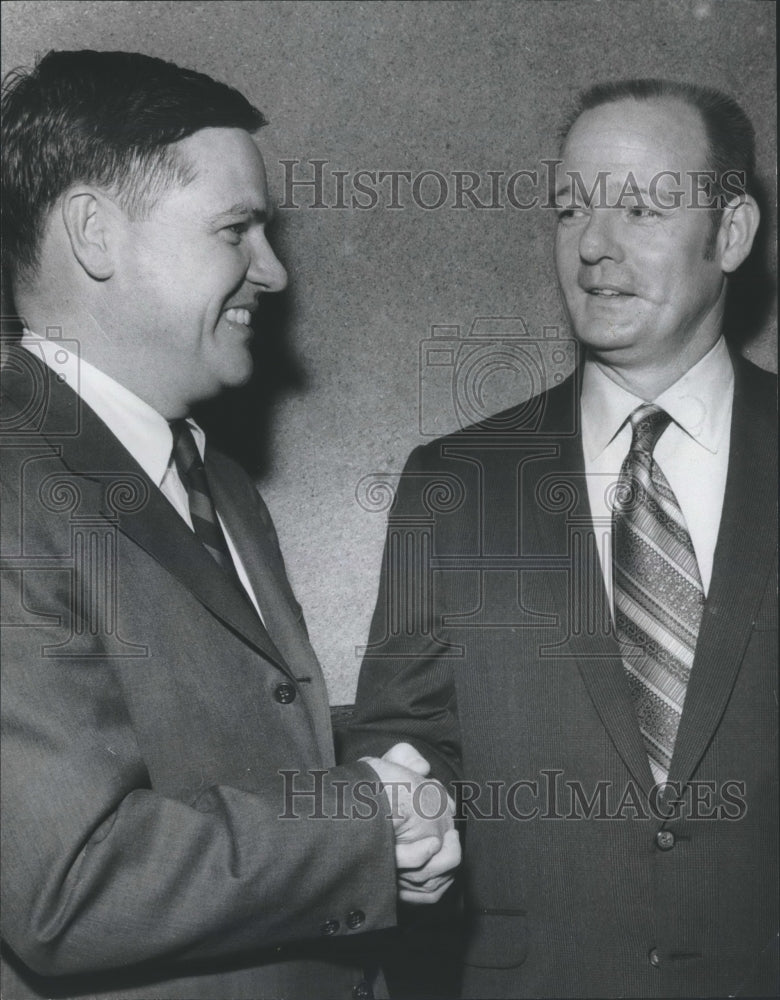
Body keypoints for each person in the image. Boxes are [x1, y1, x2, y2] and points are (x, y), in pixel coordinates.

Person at [0, 50, 460, 1000]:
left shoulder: (212, 477)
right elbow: (68, 886)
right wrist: (367, 822)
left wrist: (387, 814)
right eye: (236, 230)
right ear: (95, 233)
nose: (275, 271)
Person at [340, 79, 777, 998]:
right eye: (572, 207)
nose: (593, 246)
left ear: (732, 234)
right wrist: (415, 817)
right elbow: (408, 742)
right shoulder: (453, 484)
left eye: (639, 207)